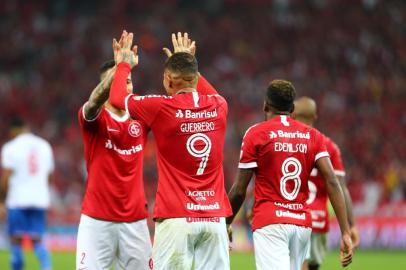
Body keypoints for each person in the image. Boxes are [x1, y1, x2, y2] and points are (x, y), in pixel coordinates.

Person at [109, 31, 232, 270]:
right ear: (195, 77)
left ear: (168, 79)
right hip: (215, 218)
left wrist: (123, 63)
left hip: (177, 217)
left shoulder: (160, 107)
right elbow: (201, 85)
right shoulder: (220, 105)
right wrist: (188, 61)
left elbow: (116, 98)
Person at [226, 80, 353, 270]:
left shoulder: (255, 134)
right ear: (292, 108)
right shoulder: (314, 136)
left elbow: (238, 190)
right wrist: (345, 231)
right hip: (301, 225)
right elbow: (332, 182)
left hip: (270, 223)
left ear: (265, 105)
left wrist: (224, 223)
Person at [76, 32, 152, 270]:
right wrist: (121, 68)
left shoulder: (143, 115)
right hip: (97, 219)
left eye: (128, 79)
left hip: (136, 221)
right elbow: (94, 101)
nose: (124, 84)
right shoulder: (93, 118)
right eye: (118, 80)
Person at [292, 97, 360, 270]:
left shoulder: (286, 142)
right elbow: (341, 188)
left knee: (299, 264)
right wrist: (350, 225)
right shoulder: (328, 146)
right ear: (315, 117)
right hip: (320, 222)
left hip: (294, 216)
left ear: (292, 115)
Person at [0, 118, 54, 270]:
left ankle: (17, 267)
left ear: (13, 131)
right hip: (39, 200)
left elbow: (6, 177)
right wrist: (41, 192)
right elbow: (49, 176)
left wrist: (1, 201)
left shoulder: (10, 147)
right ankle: (47, 267)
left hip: (17, 200)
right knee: (37, 240)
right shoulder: (45, 145)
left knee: (15, 240)